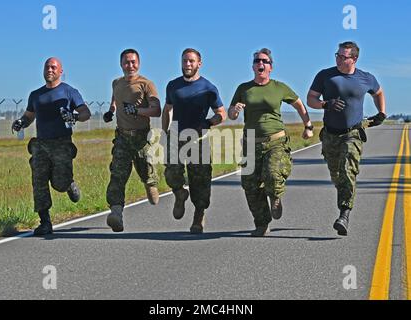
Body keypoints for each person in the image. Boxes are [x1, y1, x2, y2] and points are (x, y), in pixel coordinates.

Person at [228, 48, 313, 237]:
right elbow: (231, 115)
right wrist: (235, 109)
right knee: (250, 185)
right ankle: (261, 223)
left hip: (276, 141)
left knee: (273, 174)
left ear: (271, 67)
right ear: (252, 66)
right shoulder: (244, 88)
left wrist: (308, 125)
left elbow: (299, 103)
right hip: (250, 144)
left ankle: (275, 196)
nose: (261, 64)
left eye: (265, 61)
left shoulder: (279, 87)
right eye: (257, 61)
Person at [307, 41, 387, 236]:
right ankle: (343, 196)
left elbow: (378, 92)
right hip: (330, 134)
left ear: (354, 59)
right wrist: (326, 104)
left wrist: (381, 112)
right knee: (336, 174)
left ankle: (344, 214)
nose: (339, 59)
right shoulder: (325, 75)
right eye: (337, 55)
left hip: (352, 133)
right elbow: (311, 99)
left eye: (343, 57)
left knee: (347, 171)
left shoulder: (365, 78)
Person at [11, 57, 91, 236]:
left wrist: (75, 117)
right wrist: (21, 122)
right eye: (47, 67)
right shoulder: (36, 95)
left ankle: (68, 184)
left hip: (62, 143)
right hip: (41, 144)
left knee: (59, 183)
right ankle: (45, 222)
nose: (50, 70)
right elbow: (29, 115)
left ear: (60, 71)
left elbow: (86, 113)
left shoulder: (69, 92)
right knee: (38, 181)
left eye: (54, 67)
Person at [162, 48, 226, 234]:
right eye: (184, 61)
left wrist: (208, 123)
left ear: (199, 64)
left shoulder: (208, 88)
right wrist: (164, 132)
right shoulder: (173, 86)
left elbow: (221, 114)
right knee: (172, 173)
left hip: (198, 139)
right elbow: (167, 110)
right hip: (176, 136)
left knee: (200, 180)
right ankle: (179, 193)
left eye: (191, 61)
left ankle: (199, 214)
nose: (187, 64)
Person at [103, 49, 161, 232]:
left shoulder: (146, 84)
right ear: (121, 64)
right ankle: (116, 213)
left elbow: (156, 110)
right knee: (118, 175)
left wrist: (137, 111)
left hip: (141, 137)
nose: (130, 66)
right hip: (121, 137)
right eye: (127, 62)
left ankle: (150, 182)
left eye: (134, 62)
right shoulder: (116, 83)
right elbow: (115, 100)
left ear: (139, 63)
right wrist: (110, 112)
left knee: (145, 170)